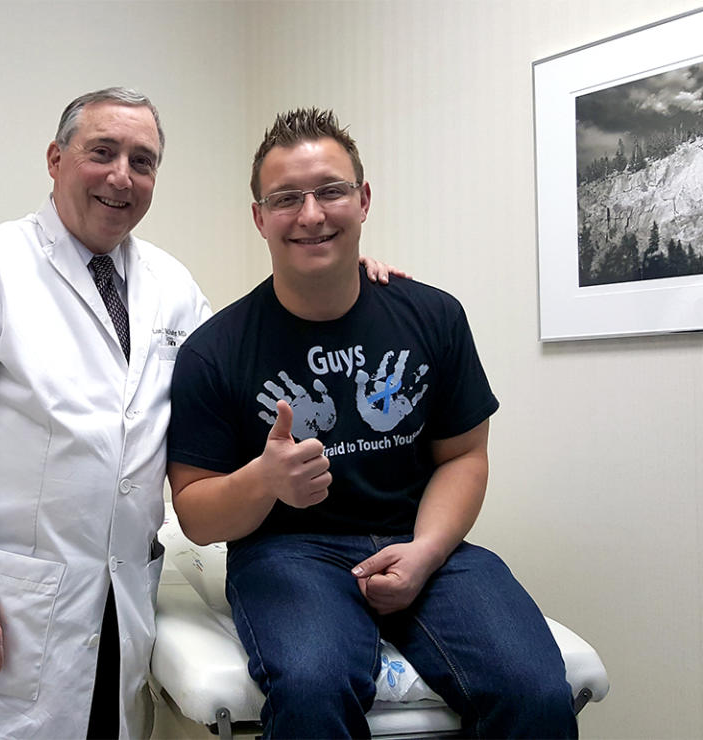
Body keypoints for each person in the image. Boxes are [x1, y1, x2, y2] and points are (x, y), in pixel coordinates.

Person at [0, 88, 398, 739]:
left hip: (122, 602)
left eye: (143, 160)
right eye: (103, 152)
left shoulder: (170, 285)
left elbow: (245, 366)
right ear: (56, 158)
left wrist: (347, 284)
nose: (122, 176)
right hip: (6, 603)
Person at [167, 108, 578, 739]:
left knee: (535, 691)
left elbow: (464, 456)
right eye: (285, 199)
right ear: (259, 217)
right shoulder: (214, 352)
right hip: (288, 553)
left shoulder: (432, 317)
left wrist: (425, 553)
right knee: (311, 690)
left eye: (331, 191)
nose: (311, 215)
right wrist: (265, 481)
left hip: (421, 538)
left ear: (363, 200)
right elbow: (194, 514)